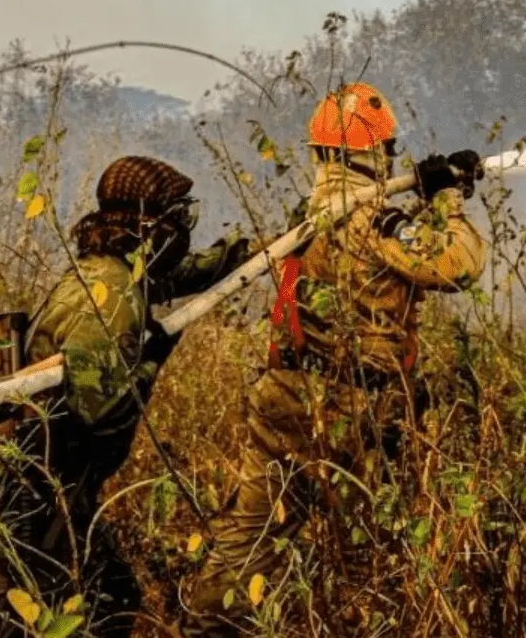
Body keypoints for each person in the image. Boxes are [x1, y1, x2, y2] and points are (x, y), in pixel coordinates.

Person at [182, 82, 486, 634]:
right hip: (352, 414)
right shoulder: (369, 221)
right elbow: (454, 266)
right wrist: (448, 200)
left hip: (284, 402)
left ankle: (209, 625)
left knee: (245, 545)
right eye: (389, 148)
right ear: (377, 152)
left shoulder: (311, 214)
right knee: (370, 563)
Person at [0, 155, 250, 637]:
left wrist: (260, 246)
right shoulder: (111, 296)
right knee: (81, 611)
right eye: (179, 219)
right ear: (148, 225)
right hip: (43, 493)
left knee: (108, 596)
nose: (183, 230)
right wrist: (152, 356)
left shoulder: (109, 270)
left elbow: (182, 275)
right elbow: (100, 408)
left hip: (54, 487)